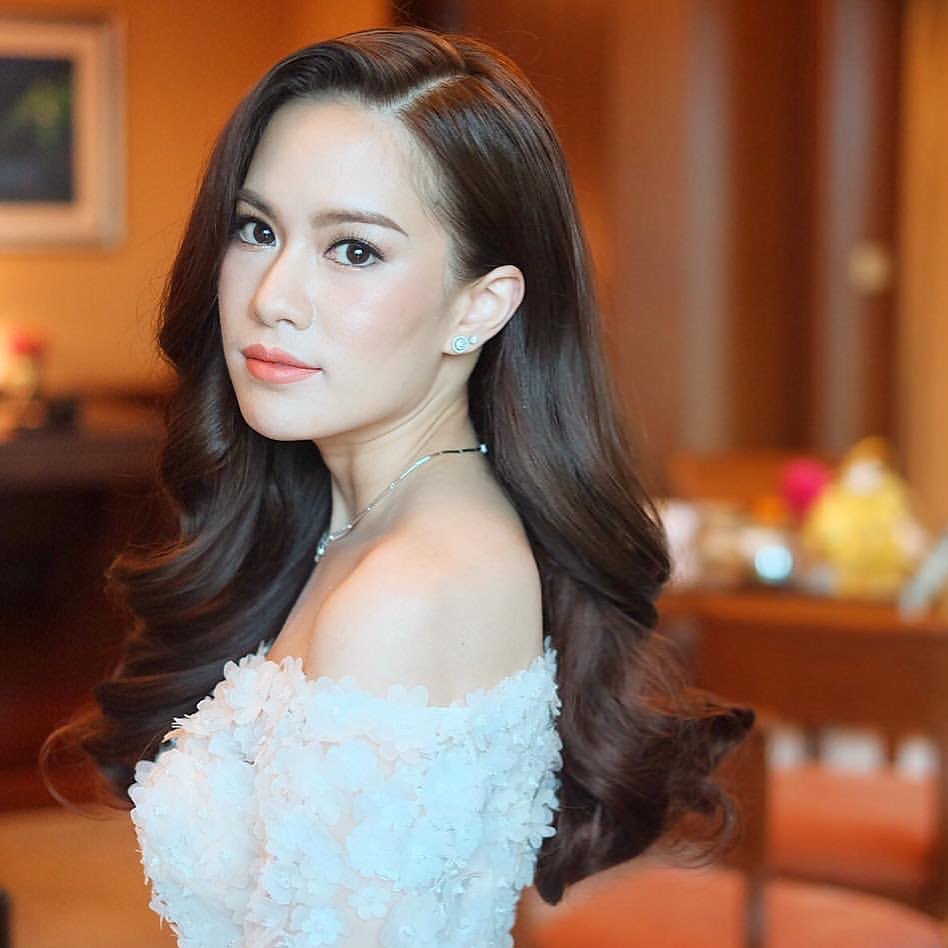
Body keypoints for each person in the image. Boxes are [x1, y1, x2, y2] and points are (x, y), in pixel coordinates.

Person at [49, 26, 751, 947]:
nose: (271, 297)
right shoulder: (367, 523)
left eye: (353, 250)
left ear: (479, 306)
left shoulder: (413, 589)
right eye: (258, 230)